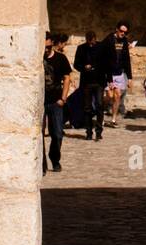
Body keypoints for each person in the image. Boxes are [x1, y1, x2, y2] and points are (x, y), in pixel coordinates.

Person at [43, 31, 72, 173]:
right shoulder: (36, 59)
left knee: (57, 134)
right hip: (40, 102)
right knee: (38, 134)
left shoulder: (60, 59)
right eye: (43, 47)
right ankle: (41, 164)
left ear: (52, 44)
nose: (45, 50)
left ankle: (55, 159)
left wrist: (63, 98)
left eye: (48, 47)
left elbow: (67, 77)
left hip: (56, 102)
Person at [73, 30, 105, 140]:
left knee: (100, 105)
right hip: (86, 82)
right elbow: (76, 64)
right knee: (87, 108)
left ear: (95, 39)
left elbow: (107, 63)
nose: (91, 44)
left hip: (99, 82)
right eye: (89, 42)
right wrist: (84, 67)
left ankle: (99, 131)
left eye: (93, 42)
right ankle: (88, 132)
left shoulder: (101, 47)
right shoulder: (81, 48)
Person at [100, 21, 133, 126]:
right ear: (116, 29)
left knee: (118, 95)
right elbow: (105, 61)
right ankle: (99, 112)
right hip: (108, 73)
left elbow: (126, 59)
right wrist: (109, 79)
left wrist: (130, 77)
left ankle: (113, 119)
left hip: (119, 73)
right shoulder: (108, 40)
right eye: (121, 31)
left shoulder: (124, 41)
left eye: (125, 32)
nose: (123, 33)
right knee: (109, 96)